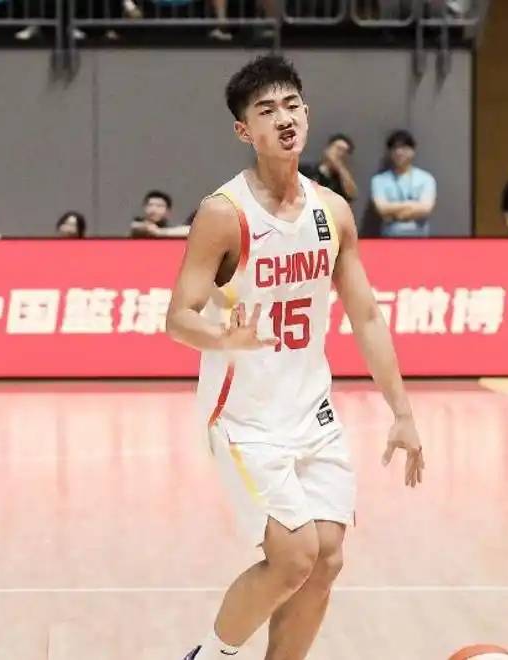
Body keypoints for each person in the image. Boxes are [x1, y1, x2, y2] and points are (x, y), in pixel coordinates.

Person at [164, 55, 425, 660]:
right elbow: (178, 317)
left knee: (327, 559)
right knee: (293, 557)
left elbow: (366, 316)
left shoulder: (332, 210)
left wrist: (403, 412)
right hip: (246, 416)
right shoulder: (224, 214)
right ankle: (209, 657)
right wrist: (223, 339)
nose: (283, 119)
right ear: (243, 130)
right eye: (266, 110)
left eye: (291, 106)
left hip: (312, 413)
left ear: (306, 112)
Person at [370, 129, 437, 237]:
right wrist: (412, 205)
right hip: (389, 238)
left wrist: (395, 213)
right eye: (395, 148)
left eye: (404, 147)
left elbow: (426, 208)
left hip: (420, 237)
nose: (399, 152)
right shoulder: (379, 180)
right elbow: (382, 209)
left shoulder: (426, 178)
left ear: (413, 151)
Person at [299, 133, 358, 201]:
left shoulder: (341, 182)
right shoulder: (305, 170)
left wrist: (340, 168)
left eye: (345, 152)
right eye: (338, 148)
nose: (340, 153)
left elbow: (352, 195)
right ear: (327, 149)